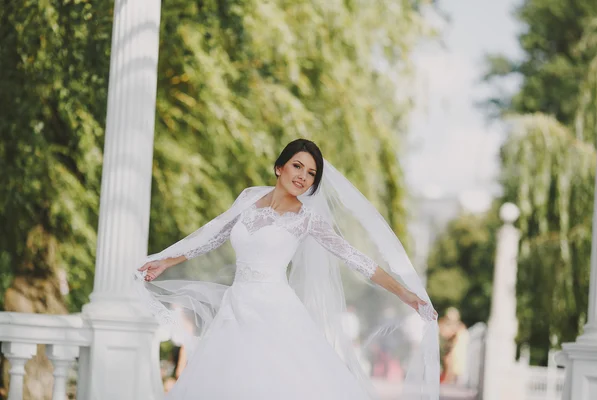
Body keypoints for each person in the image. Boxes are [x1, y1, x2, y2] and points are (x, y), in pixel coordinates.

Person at [134, 139, 439, 399]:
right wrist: (165, 260)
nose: (303, 176)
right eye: (297, 166)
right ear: (280, 167)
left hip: (276, 311)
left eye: (311, 173)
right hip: (236, 307)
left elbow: (356, 258)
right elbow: (213, 233)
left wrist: (405, 292)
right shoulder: (250, 197)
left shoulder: (308, 218)